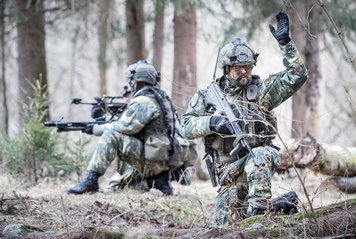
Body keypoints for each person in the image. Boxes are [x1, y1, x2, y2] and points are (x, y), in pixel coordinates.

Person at [181, 11, 308, 225]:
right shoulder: (207, 97)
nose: (244, 72)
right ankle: (280, 206)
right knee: (226, 224)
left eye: (248, 67)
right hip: (230, 173)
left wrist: (286, 43)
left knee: (258, 157)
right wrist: (212, 123)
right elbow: (185, 127)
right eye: (238, 68)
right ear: (227, 69)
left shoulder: (261, 92)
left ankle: (259, 214)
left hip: (260, 159)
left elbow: (298, 75)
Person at [66, 60, 196, 196]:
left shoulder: (143, 101)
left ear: (137, 82)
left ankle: (91, 181)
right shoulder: (161, 98)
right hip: (163, 160)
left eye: (131, 81)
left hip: (153, 161)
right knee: (116, 186)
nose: (129, 84)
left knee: (111, 135)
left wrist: (95, 129)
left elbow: (124, 128)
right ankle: (159, 182)